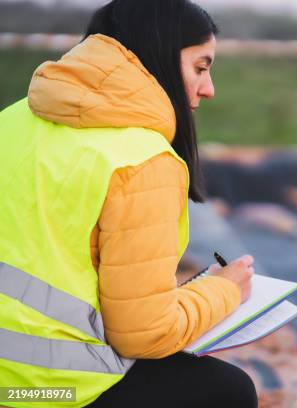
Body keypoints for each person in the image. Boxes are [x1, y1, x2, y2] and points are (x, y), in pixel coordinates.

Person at [0, 0, 257, 407]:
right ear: (160, 55)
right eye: (200, 67)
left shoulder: (12, 119)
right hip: (44, 390)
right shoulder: (141, 160)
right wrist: (225, 291)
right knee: (231, 391)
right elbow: (144, 333)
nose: (209, 89)